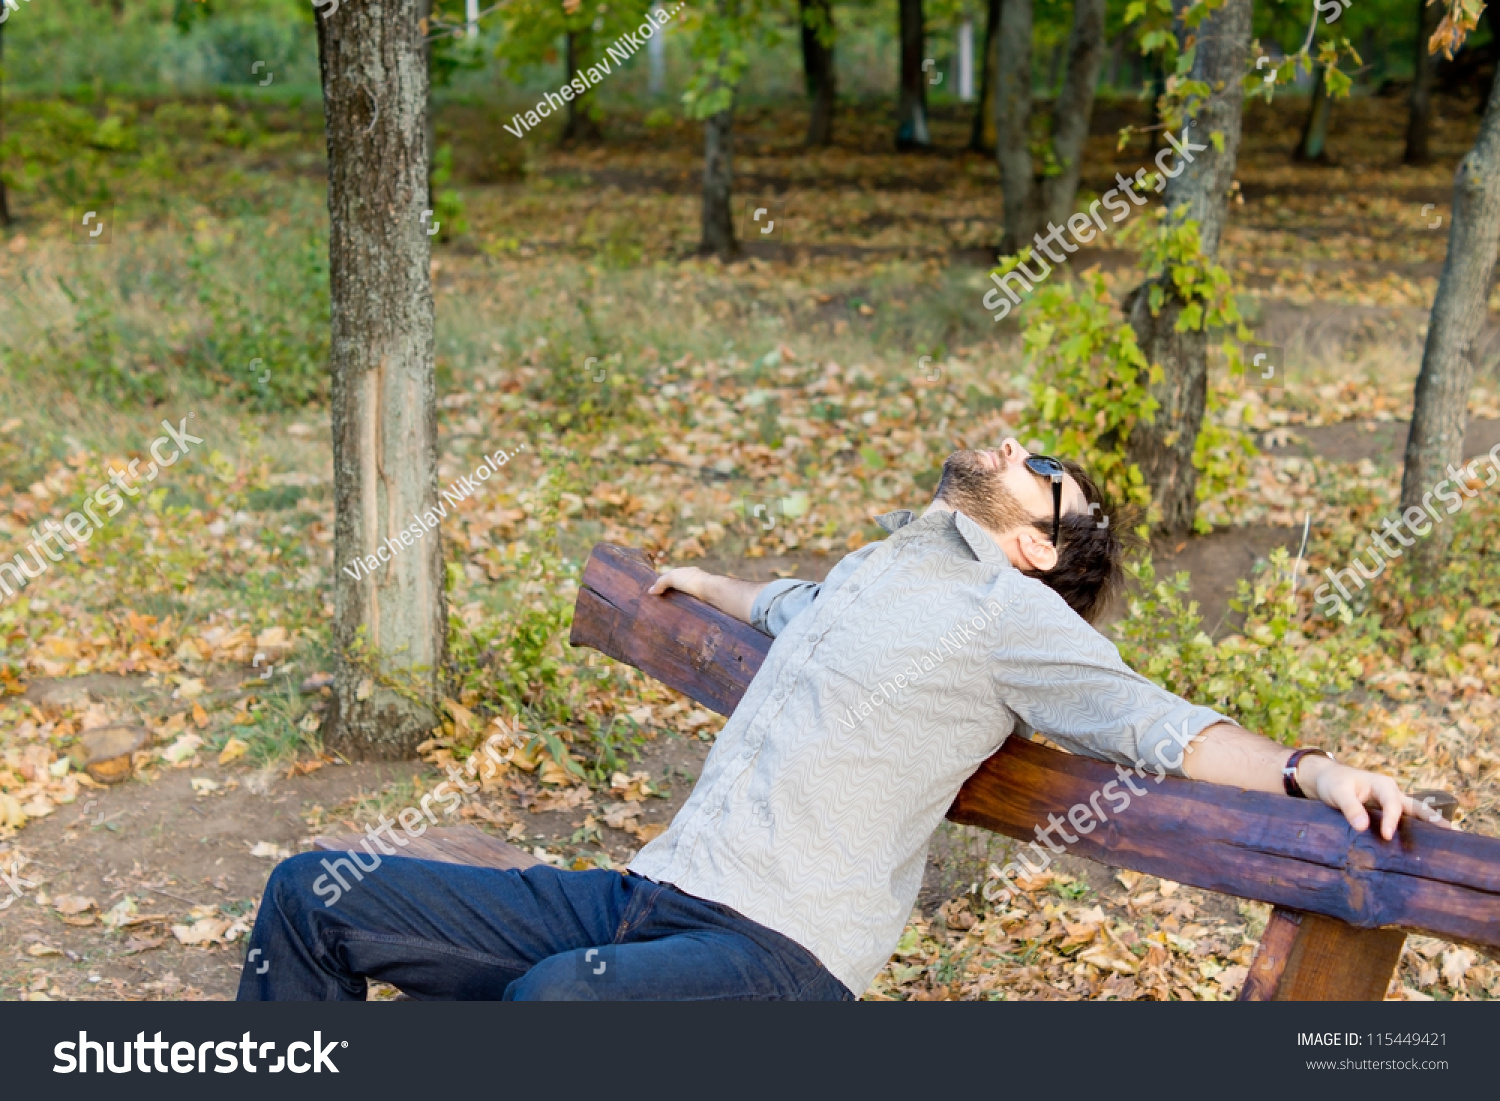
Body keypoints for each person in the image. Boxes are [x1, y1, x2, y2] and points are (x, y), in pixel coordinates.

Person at [237, 439, 1451, 1001]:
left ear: (1034, 545)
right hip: (655, 897)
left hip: (777, 957)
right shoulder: (892, 566)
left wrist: (1312, 770)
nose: (1020, 444)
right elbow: (802, 606)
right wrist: (710, 590)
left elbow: (1163, 727)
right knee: (312, 893)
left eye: (1044, 469)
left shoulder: (1014, 617)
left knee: (561, 1006)